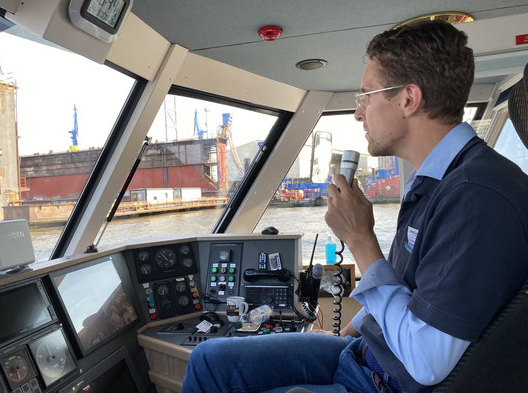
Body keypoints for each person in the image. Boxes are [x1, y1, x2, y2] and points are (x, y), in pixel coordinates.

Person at [181, 20, 528, 393]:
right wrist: (349, 333)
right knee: (208, 360)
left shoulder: (476, 195)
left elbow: (427, 362)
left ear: (408, 99)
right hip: (362, 353)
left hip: (384, 382)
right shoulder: (437, 181)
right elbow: (409, 290)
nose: (358, 113)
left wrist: (359, 238)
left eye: (367, 96)